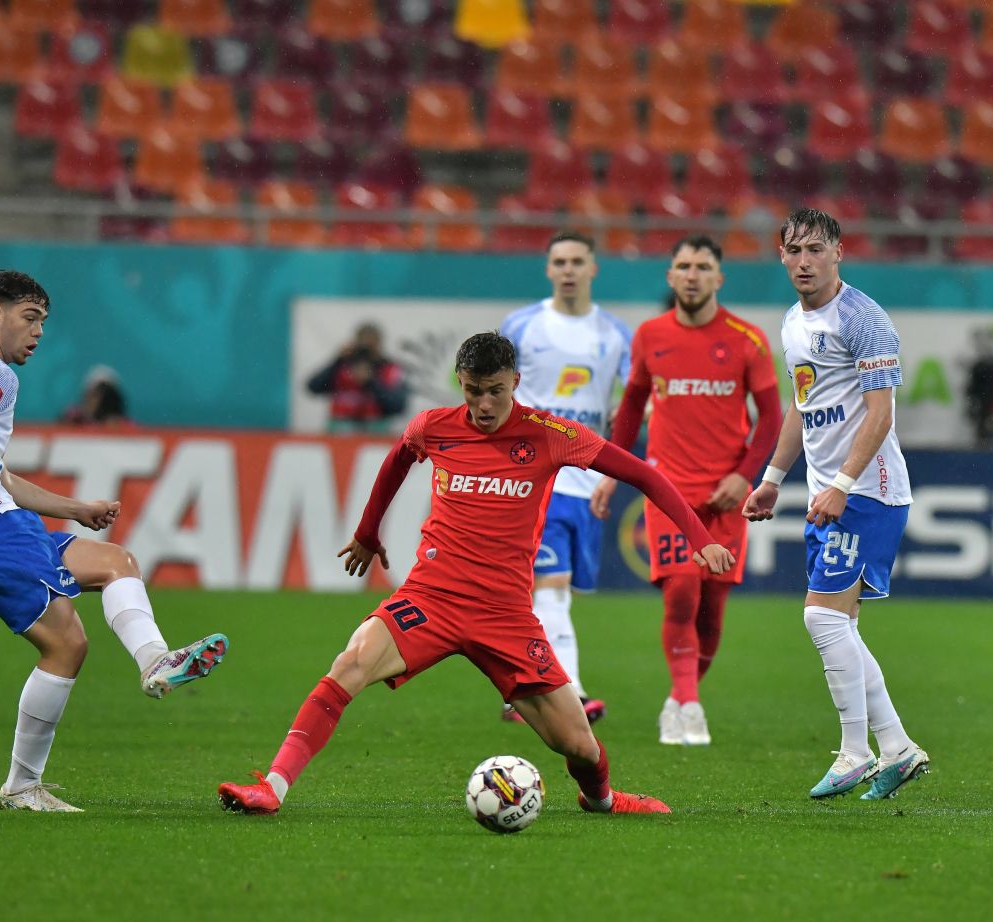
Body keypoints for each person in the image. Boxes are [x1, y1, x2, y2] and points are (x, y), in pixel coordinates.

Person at [216, 331, 734, 818]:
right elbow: (397, 461)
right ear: (460, 383)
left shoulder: (551, 435)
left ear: (515, 382)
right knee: (350, 662)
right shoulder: (434, 426)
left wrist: (701, 538)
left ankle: (601, 800)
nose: (484, 405)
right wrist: (368, 532)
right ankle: (273, 787)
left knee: (576, 743)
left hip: (505, 614)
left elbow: (644, 476)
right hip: (431, 597)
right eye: (473, 391)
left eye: (495, 392)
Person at [0, 270, 228, 813]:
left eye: (42, 320)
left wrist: (76, 509)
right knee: (66, 644)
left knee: (116, 561)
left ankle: (155, 659)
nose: (38, 331)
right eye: (29, 317)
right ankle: (22, 786)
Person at [743, 209, 929, 801]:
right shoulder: (792, 323)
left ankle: (855, 751)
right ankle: (896, 748)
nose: (804, 261)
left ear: (838, 253)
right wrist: (773, 478)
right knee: (840, 624)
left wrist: (843, 483)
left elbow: (881, 412)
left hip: (868, 490)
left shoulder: (863, 318)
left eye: (815, 250)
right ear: (781, 255)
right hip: (830, 492)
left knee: (821, 618)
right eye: (794, 250)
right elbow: (802, 405)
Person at [591, 235, 782, 747]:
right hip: (668, 489)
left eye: (702, 266)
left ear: (719, 277)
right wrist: (610, 472)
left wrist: (745, 475)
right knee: (681, 590)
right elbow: (631, 407)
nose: (692, 275)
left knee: (712, 606)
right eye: (683, 266)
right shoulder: (650, 335)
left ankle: (678, 699)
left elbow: (771, 418)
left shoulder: (747, 339)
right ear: (670, 276)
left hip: (726, 494)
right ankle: (690, 706)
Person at [498, 230, 632, 724]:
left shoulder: (616, 333)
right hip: (534, 477)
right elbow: (494, 391)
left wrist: (630, 414)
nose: (569, 270)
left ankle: (524, 689)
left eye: (578, 261)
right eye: (560, 261)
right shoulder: (521, 326)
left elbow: (640, 395)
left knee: (554, 591)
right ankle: (570, 691)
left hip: (587, 481)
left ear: (593, 269)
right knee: (551, 586)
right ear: (548, 269)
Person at [306, 322, 408, 434]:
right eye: (363, 345)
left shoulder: (388, 368)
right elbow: (313, 387)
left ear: (379, 345)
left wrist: (371, 382)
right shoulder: (342, 365)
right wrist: (337, 360)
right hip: (340, 428)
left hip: (375, 429)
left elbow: (397, 406)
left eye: (371, 346)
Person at [62, 364, 130, 426]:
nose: (102, 401)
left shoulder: (125, 426)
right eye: (95, 394)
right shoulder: (72, 419)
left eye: (107, 396)